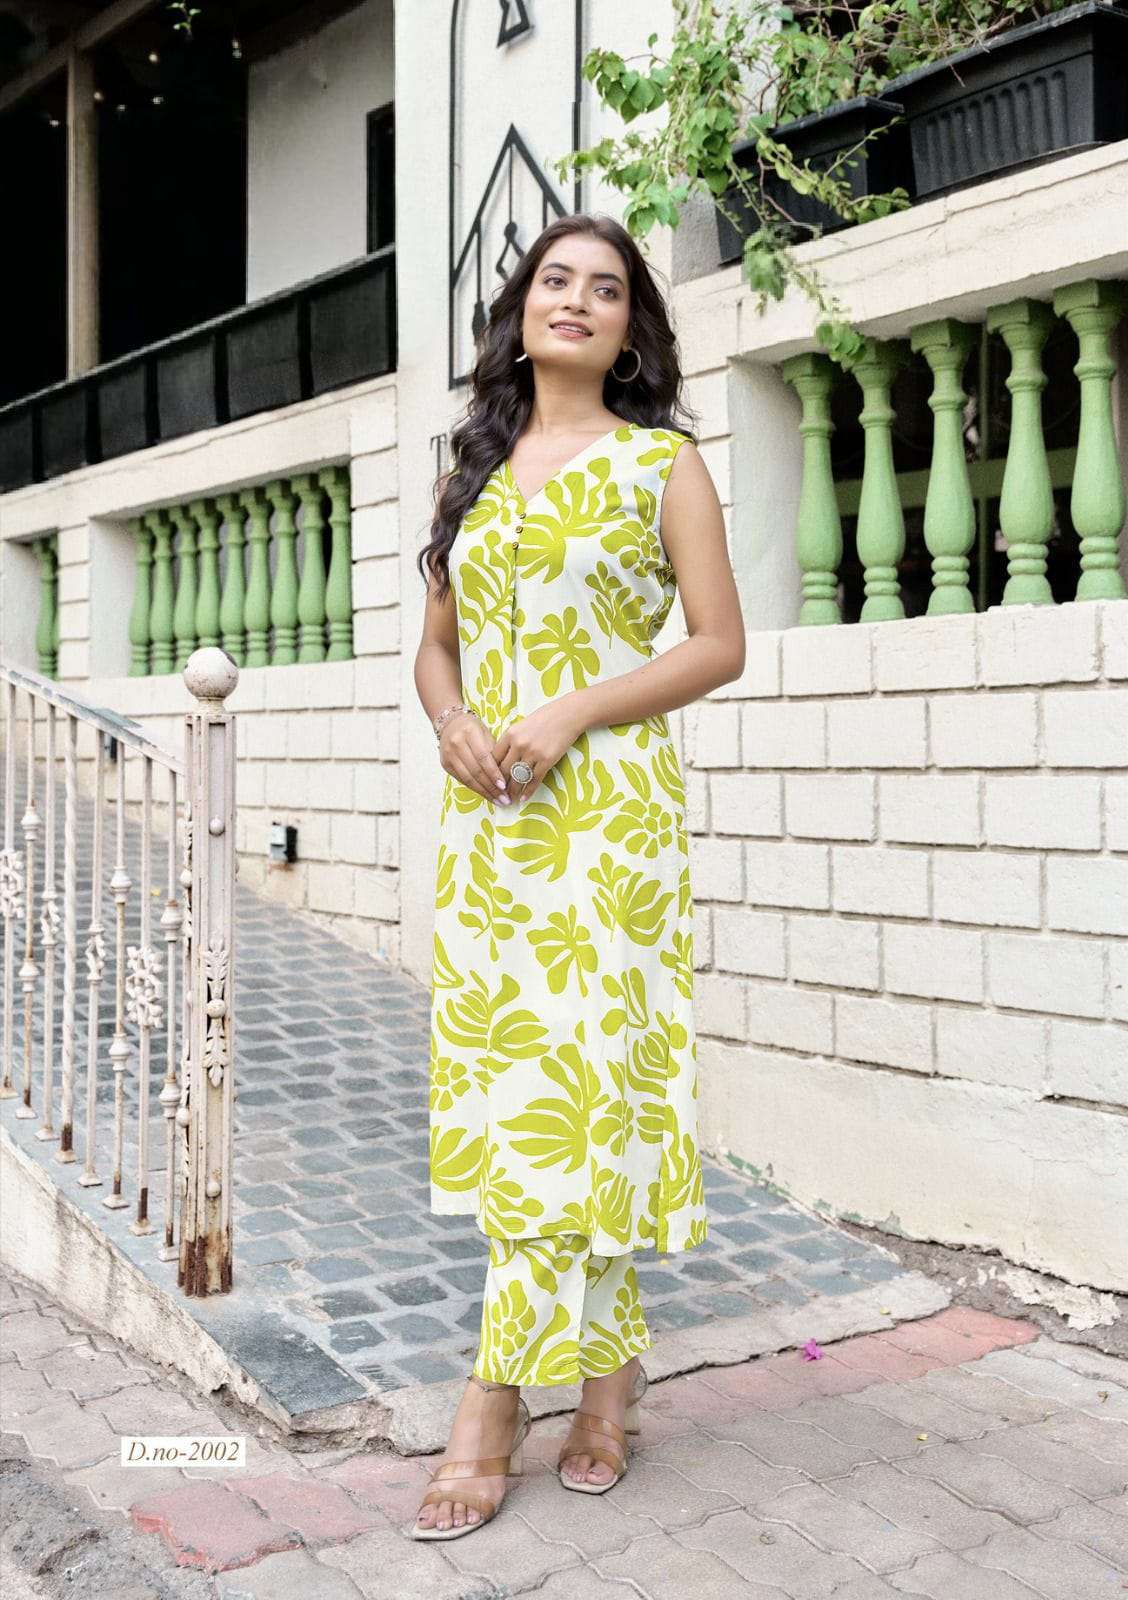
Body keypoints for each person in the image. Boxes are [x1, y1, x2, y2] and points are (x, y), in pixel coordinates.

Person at [410, 212, 745, 1540]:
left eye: (607, 289)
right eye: (557, 280)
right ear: (522, 311)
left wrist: (573, 711)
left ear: (629, 332)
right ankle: (610, 1381)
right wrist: (453, 722)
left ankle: (492, 1401)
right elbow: (436, 647)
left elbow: (718, 644)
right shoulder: (477, 472)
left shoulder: (663, 465)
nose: (578, 300)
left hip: (609, 822)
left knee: (588, 1087)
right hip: (493, 830)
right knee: (529, 1104)